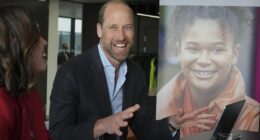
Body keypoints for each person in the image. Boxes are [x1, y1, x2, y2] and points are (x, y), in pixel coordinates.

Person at [49, 1, 216, 140]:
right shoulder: (71, 72)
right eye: (113, 27)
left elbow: (145, 128)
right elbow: (58, 133)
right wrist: (100, 126)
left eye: (127, 27)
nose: (121, 36)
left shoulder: (136, 74)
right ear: (99, 30)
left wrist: (172, 123)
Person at [156, 6, 260, 137]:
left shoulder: (252, 117)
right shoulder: (161, 106)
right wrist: (171, 126)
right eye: (193, 49)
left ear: (234, 54)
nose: (204, 60)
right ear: (179, 51)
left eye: (217, 49)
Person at [0, 5, 51, 140]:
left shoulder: (30, 95)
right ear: (16, 44)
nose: (44, 41)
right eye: (36, 35)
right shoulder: (2, 106)